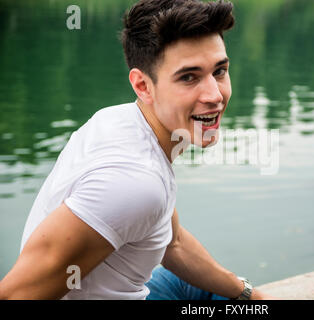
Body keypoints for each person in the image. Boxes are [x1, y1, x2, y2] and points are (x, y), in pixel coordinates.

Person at [0, 0, 274, 300]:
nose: (214, 95)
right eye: (189, 77)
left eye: (219, 71)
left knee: (215, 289)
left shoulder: (120, 120)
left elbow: (174, 242)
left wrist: (251, 296)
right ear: (143, 86)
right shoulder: (134, 183)